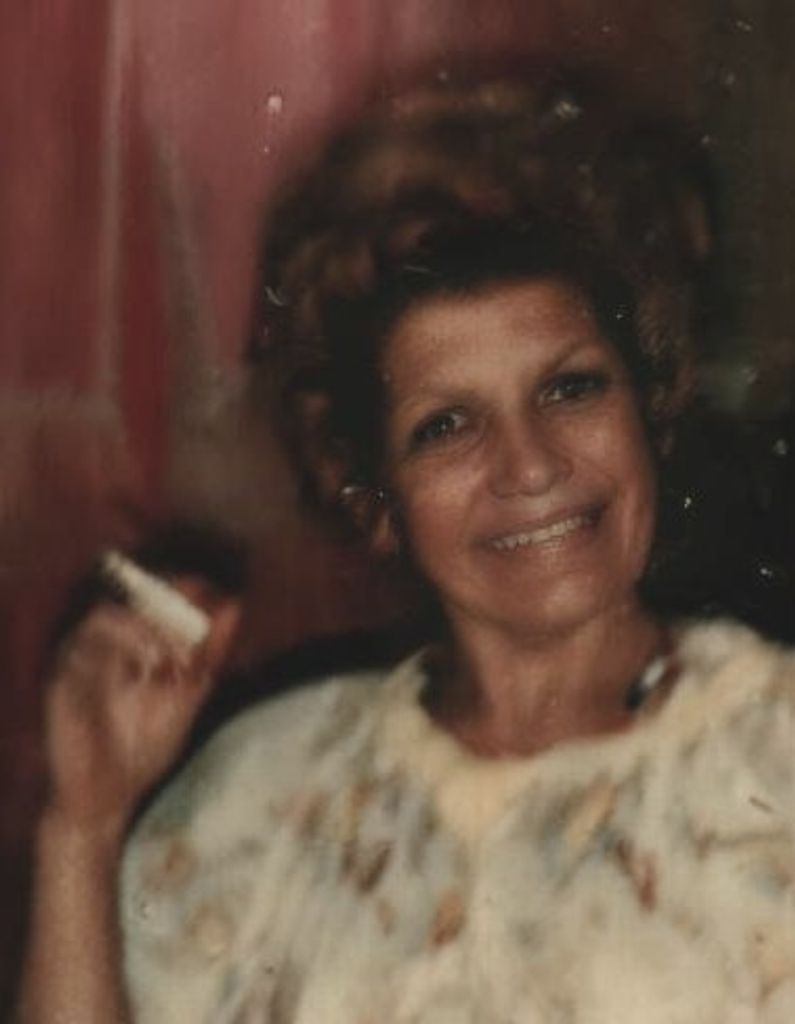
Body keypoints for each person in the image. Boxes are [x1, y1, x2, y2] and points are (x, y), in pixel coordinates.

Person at [15, 71, 795, 1023]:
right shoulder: (264, 792)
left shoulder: (773, 753)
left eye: (570, 388)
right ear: (373, 497)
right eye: (446, 426)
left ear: (650, 410)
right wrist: (84, 828)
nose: (530, 466)